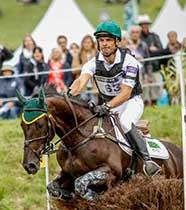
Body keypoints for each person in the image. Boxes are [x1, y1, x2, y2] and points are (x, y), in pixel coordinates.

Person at [68, 20, 161, 176]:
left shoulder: (130, 62)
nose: (104, 44)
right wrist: (68, 95)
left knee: (124, 123)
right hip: (110, 104)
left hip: (131, 101)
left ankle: (147, 160)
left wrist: (107, 107)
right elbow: (81, 81)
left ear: (117, 41)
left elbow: (125, 93)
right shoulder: (92, 63)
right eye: (101, 40)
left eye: (108, 40)